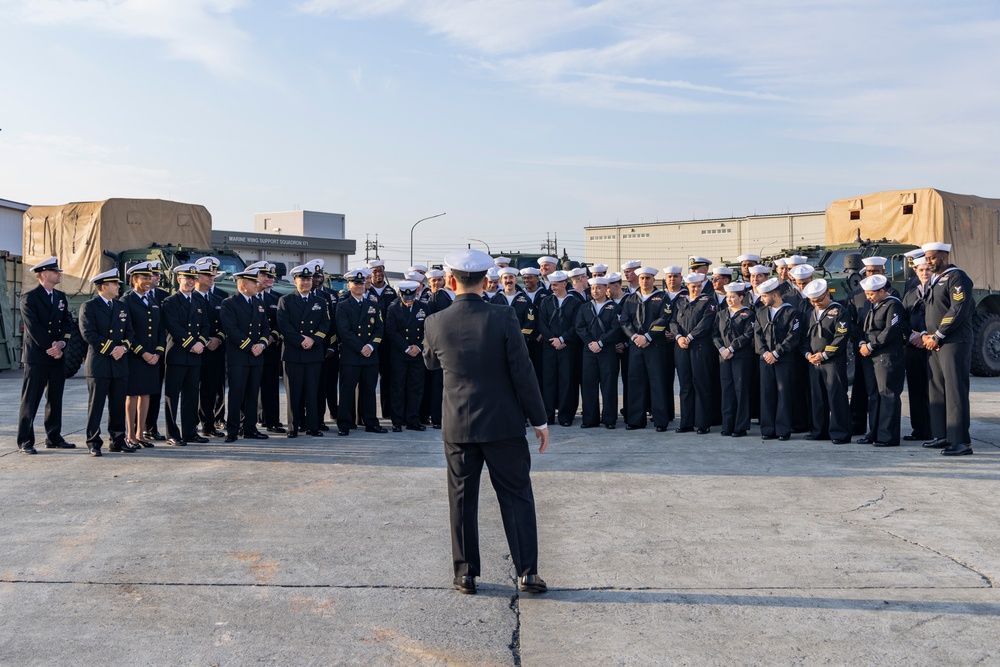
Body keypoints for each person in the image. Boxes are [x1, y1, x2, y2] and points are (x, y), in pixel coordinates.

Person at [423, 248, 549, 596]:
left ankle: (465, 574)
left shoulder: (434, 322)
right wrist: (539, 419)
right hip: (503, 423)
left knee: (462, 499)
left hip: (458, 425)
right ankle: (527, 572)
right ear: (485, 282)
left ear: (450, 281)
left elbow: (431, 363)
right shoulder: (504, 316)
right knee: (516, 496)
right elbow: (523, 372)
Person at [920, 242, 975, 456]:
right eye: (927, 258)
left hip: (954, 342)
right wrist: (927, 335)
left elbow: (958, 308)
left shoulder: (957, 277)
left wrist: (939, 334)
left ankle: (961, 441)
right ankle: (943, 435)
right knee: (937, 390)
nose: (929, 262)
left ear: (944, 255)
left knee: (955, 391)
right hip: (935, 342)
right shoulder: (935, 280)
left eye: (933, 257)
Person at [17, 257, 76, 454]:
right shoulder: (29, 298)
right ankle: (25, 439)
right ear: (44, 274)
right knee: (31, 399)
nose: (59, 274)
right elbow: (34, 328)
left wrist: (62, 343)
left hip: (57, 355)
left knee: (55, 398)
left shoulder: (60, 296)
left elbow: (67, 323)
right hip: (38, 356)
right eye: (55, 271)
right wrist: (51, 347)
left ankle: (54, 436)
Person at [80, 268, 135, 456]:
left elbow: (130, 332)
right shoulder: (89, 307)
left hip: (120, 363)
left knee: (118, 404)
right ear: (104, 286)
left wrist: (124, 348)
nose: (119, 286)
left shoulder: (121, 307)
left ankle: (118, 440)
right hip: (100, 363)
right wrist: (112, 349)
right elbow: (89, 334)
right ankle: (93, 442)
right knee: (96, 405)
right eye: (115, 284)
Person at [277, 264, 330, 438]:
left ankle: (312, 426)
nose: (306, 282)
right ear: (295, 281)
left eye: (308, 279)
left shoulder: (320, 301)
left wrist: (313, 339)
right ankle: (293, 427)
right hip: (293, 352)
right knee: (294, 393)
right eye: (302, 279)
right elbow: (284, 325)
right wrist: (301, 340)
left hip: (313, 352)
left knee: (312, 391)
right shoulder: (286, 300)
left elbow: (325, 324)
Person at [160, 263, 210, 446]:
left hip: (196, 355)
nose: (190, 282)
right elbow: (173, 327)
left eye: (193, 279)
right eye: (187, 278)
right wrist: (191, 344)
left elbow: (205, 326)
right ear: (178, 279)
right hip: (178, 354)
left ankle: (190, 432)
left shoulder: (199, 301)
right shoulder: (170, 302)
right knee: (172, 397)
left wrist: (202, 342)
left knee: (191, 396)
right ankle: (172, 434)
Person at [856, 274, 908, 448]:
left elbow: (890, 330)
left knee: (888, 394)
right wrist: (863, 342)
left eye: (872, 294)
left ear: (882, 290)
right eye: (867, 294)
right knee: (874, 395)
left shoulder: (893, 305)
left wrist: (871, 345)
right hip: (870, 355)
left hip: (886, 356)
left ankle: (888, 436)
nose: (869, 297)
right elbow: (862, 327)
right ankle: (874, 432)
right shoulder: (870, 305)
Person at [619, 266, 672, 431]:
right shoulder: (630, 299)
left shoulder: (662, 298)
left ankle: (660, 421)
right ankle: (636, 420)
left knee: (658, 383)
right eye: (642, 278)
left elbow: (664, 319)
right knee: (635, 382)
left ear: (653, 280)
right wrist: (634, 336)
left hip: (654, 346)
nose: (644, 281)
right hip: (636, 346)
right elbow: (624, 321)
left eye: (648, 278)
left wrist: (648, 336)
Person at [220, 270, 270, 442]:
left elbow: (265, 328)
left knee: (252, 393)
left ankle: (249, 428)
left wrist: (262, 344)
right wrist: (250, 346)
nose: (257, 285)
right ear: (242, 284)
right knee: (236, 394)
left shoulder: (259, 303)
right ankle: (233, 430)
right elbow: (230, 329)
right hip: (239, 356)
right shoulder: (229, 303)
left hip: (256, 356)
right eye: (253, 282)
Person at [335, 269, 387, 436]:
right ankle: (344, 424)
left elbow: (380, 329)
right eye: (355, 283)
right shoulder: (342, 306)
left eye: (361, 283)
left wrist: (370, 347)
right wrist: (361, 347)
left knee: (369, 391)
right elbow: (344, 331)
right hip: (351, 355)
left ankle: (371, 422)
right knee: (347, 391)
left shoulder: (373, 304)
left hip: (370, 356)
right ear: (349, 285)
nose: (359, 286)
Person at [800, 279, 851, 444]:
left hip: (832, 361)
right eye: (813, 301)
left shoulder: (839, 311)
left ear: (827, 294)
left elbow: (841, 336)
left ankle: (840, 433)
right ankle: (819, 430)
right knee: (818, 397)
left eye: (819, 300)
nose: (817, 304)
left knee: (836, 397)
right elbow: (803, 338)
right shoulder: (810, 313)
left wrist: (824, 354)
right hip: (814, 362)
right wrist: (808, 354)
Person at [122, 261, 166, 448]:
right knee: (132, 395)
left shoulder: (154, 300)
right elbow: (127, 331)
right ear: (134, 279)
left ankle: (141, 434)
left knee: (146, 395)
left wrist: (157, 352)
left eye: (150, 277)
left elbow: (159, 330)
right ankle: (130, 435)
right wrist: (143, 353)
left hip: (152, 357)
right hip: (135, 355)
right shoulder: (126, 300)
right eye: (144, 277)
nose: (149, 281)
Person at [754, 277, 801, 441]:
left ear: (774, 295)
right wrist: (765, 352)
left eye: (764, 296)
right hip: (765, 359)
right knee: (767, 394)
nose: (761, 299)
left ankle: (782, 430)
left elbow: (793, 336)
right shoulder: (761, 312)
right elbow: (758, 335)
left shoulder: (791, 312)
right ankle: (768, 429)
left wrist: (777, 353)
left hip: (784, 360)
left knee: (784, 394)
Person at [575, 276, 621, 429]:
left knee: (608, 386)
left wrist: (601, 342)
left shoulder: (614, 308)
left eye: (599, 288)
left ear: (606, 289)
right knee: (589, 385)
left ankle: (609, 419)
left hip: (607, 351)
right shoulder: (585, 307)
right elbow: (580, 327)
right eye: (593, 288)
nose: (595, 291)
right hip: (589, 351)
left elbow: (616, 329)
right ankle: (590, 419)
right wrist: (590, 343)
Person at [537, 270, 583, 426]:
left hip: (567, 347)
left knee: (567, 381)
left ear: (564, 284)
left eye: (556, 285)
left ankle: (566, 416)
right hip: (550, 347)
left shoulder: (575, 302)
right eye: (551, 285)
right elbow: (541, 323)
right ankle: (548, 415)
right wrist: (553, 340)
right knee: (548, 381)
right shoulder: (546, 302)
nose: (553, 288)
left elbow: (576, 325)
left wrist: (563, 339)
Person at [383, 280, 429, 432]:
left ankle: (413, 420)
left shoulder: (424, 307)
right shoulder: (393, 308)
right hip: (399, 353)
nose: (409, 302)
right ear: (400, 294)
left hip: (417, 353)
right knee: (398, 387)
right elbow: (391, 331)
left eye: (411, 299)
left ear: (416, 294)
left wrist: (418, 346)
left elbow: (427, 331)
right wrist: (405, 348)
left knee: (416, 387)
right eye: (405, 299)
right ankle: (397, 420)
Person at [713, 282, 755, 437]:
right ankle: (727, 425)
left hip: (740, 357)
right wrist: (721, 348)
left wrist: (732, 348)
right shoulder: (722, 314)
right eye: (727, 296)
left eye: (733, 296)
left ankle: (740, 426)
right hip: (724, 357)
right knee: (727, 390)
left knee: (741, 390)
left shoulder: (748, 314)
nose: (729, 299)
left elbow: (747, 334)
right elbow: (715, 333)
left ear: (741, 297)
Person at [194, 257, 227, 437]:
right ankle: (192, 426)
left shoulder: (218, 299)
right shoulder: (191, 298)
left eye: (212, 275)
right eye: (207, 275)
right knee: (193, 390)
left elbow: (225, 323)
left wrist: (219, 338)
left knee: (210, 389)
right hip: (196, 350)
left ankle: (208, 425)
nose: (212, 277)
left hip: (215, 351)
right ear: (197, 277)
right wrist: (205, 341)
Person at [901, 256, 933, 441]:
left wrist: (927, 336)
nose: (925, 273)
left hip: (933, 345)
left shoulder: (940, 290)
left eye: (928, 269)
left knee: (934, 389)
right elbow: (902, 318)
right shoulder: (911, 294)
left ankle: (936, 430)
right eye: (921, 270)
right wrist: (913, 336)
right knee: (916, 388)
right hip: (914, 345)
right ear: (916, 272)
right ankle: (920, 430)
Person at [142, 261, 171, 442]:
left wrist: (159, 351)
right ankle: (138, 429)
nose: (158, 277)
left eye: (159, 274)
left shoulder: (163, 296)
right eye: (154, 274)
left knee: (155, 391)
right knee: (138, 394)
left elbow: (163, 327)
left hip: (158, 352)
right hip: (139, 354)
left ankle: (151, 428)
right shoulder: (129, 298)